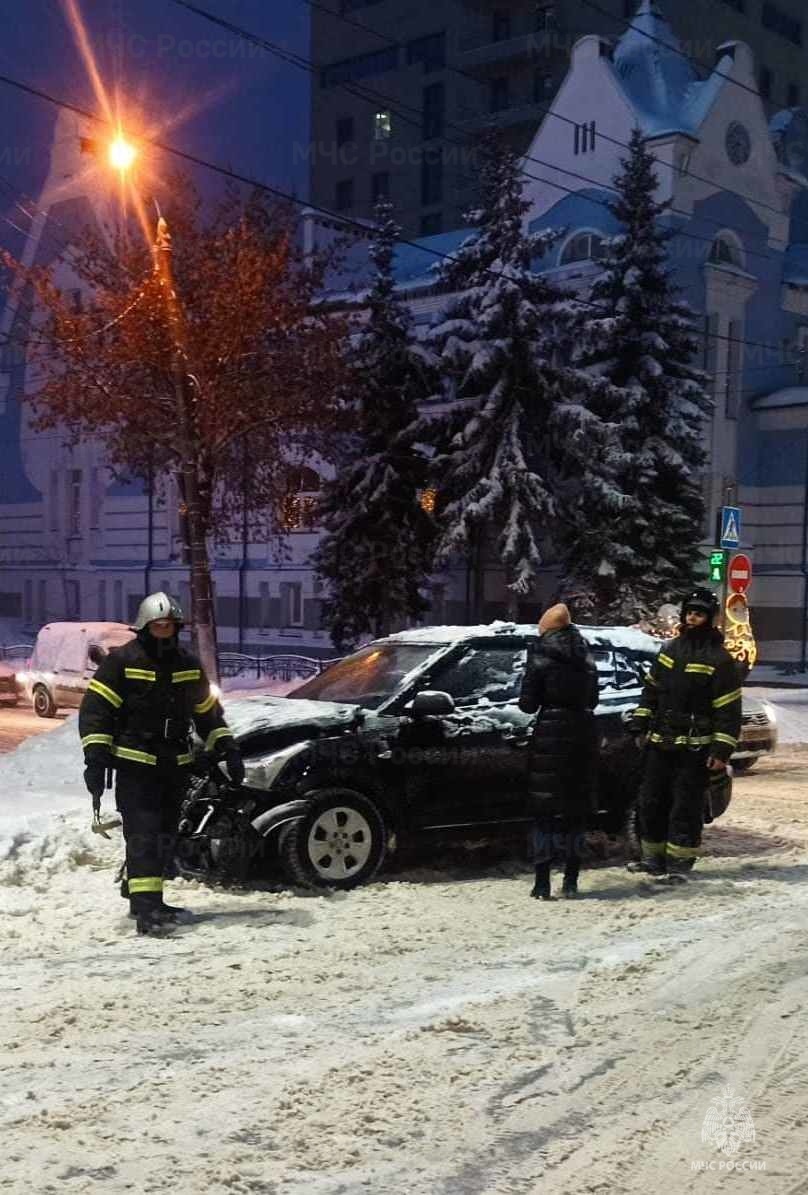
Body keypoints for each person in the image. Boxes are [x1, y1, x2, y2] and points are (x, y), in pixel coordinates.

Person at [79, 592, 244, 936]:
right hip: (135, 763)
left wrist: (226, 745)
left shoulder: (187, 665)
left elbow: (207, 713)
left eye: (170, 625)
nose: (165, 630)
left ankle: (147, 898)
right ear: (144, 627)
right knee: (145, 835)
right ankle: (146, 912)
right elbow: (96, 713)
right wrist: (95, 756)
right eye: (158, 625)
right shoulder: (121, 662)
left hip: (175, 764)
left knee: (165, 834)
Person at [627, 587, 742, 881]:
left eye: (699, 613)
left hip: (694, 750)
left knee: (685, 808)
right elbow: (650, 692)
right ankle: (652, 859)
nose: (693, 617)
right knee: (651, 802)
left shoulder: (719, 660)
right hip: (660, 744)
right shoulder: (670, 651)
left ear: (710, 618)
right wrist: (640, 723)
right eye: (690, 612)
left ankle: (679, 865)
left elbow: (728, 711)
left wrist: (720, 752)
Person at [518, 602, 600, 901]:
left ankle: (541, 883)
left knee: (545, 812)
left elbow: (527, 703)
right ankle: (571, 880)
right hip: (582, 734)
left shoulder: (540, 655)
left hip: (550, 735)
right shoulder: (586, 654)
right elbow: (593, 698)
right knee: (575, 812)